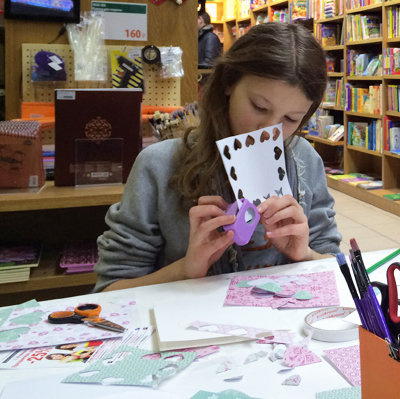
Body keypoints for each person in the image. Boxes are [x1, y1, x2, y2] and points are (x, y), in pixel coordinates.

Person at [95, 22, 342, 292]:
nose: (269, 130)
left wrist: (306, 255)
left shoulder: (305, 159)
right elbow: (108, 291)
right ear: (228, 83)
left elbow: (333, 262)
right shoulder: (158, 165)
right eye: (259, 107)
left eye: (291, 119)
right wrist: (185, 269)